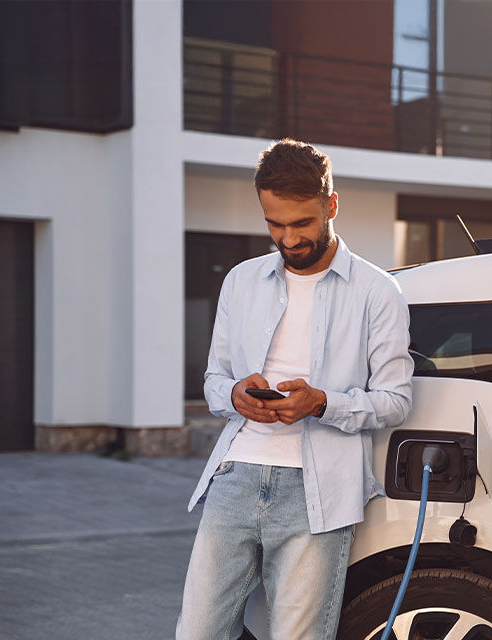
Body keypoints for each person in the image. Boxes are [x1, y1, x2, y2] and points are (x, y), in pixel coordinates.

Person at [177, 139, 414, 640]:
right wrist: (236, 394)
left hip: (318, 490)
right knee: (197, 632)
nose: (288, 238)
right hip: (236, 475)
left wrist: (322, 402)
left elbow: (396, 400)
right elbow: (214, 380)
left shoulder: (377, 292)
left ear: (331, 205)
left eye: (301, 223)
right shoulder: (241, 281)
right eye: (274, 224)